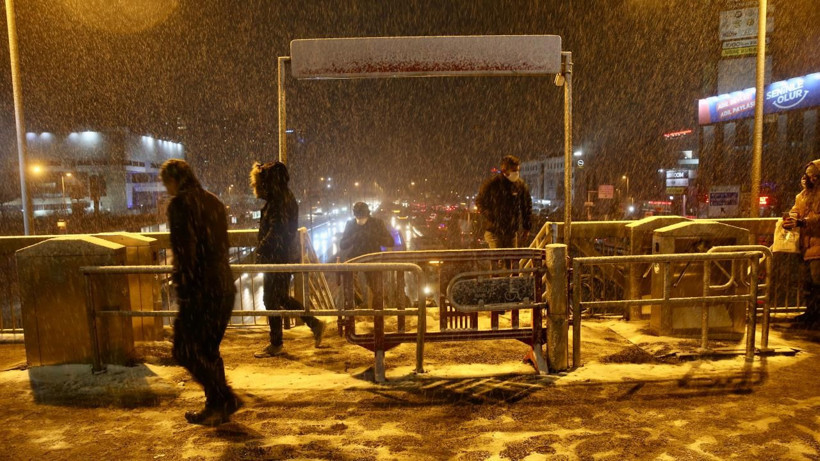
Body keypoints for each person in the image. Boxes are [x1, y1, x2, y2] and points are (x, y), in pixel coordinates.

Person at [160, 159, 241, 426]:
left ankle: (223, 397)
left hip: (200, 289)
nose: (166, 189)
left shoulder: (181, 205)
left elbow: (186, 252)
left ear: (173, 180)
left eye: (166, 183)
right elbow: (222, 246)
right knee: (207, 349)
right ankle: (217, 405)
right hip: (223, 285)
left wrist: (184, 287)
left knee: (184, 351)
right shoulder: (213, 201)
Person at [251, 162, 325, 358]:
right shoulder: (283, 197)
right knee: (280, 297)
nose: (257, 186)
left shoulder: (279, 201)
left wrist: (261, 248)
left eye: (261, 181)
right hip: (281, 256)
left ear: (270, 182)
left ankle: (276, 344)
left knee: (270, 299)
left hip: (277, 258)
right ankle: (314, 324)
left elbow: (277, 231)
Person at [783, 159, 820, 329]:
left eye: (813, 177)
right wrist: (791, 219)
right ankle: (810, 314)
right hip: (806, 246)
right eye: (808, 176)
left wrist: (803, 222)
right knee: (807, 283)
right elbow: (796, 211)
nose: (809, 180)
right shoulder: (802, 195)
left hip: (817, 246)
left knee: (817, 282)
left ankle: (816, 317)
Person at [339, 202, 395, 306]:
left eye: (362, 217)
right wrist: (355, 237)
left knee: (377, 289)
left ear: (367, 214)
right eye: (358, 217)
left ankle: (377, 312)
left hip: (373, 258)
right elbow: (342, 245)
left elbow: (390, 242)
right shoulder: (351, 224)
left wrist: (373, 236)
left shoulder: (377, 223)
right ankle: (357, 305)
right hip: (356, 257)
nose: (360, 220)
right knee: (349, 285)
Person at [476, 154, 533, 251]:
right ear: (504, 171)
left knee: (511, 262)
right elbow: (479, 202)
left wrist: (526, 227)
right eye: (514, 171)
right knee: (498, 260)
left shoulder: (520, 185)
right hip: (494, 231)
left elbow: (526, 206)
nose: (516, 173)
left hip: (511, 232)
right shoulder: (492, 184)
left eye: (517, 170)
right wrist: (492, 216)